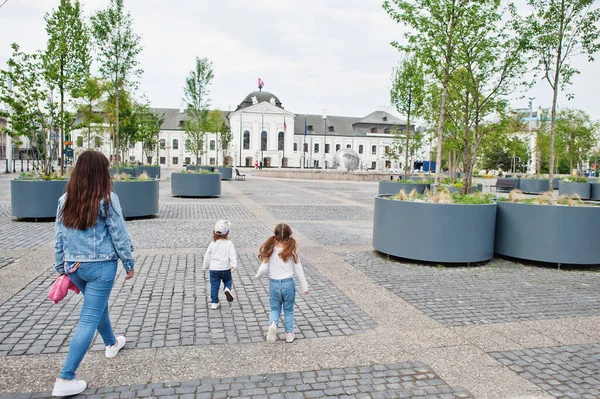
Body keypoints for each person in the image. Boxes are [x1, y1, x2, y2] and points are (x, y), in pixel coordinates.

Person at [52, 151, 135, 397]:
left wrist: (60, 268)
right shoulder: (107, 199)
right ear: (102, 172)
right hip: (101, 267)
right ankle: (66, 377)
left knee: (97, 307)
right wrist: (129, 263)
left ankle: (111, 343)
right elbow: (118, 235)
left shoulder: (65, 199)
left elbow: (58, 237)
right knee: (89, 318)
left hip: (74, 266)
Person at [255, 224, 309, 343]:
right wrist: (305, 287)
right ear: (289, 237)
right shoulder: (292, 251)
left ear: (275, 236)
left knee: (275, 308)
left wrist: (257, 276)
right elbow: (299, 271)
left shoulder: (270, 250)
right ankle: (289, 334)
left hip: (274, 284)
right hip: (288, 284)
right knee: (288, 309)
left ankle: (273, 324)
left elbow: (263, 269)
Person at [203, 220, 238, 309]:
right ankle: (227, 289)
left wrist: (205, 266)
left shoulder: (212, 244)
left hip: (214, 269)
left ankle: (214, 303)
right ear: (227, 233)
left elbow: (208, 255)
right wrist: (233, 264)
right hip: (225, 268)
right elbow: (232, 254)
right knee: (228, 281)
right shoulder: (229, 243)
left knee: (214, 286)